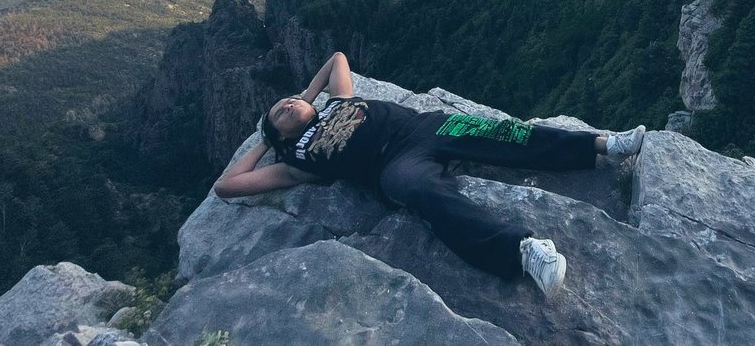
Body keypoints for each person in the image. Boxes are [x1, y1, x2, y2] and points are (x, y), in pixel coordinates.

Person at [213, 51, 645, 297]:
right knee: (424, 193)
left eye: (288, 101)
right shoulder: (296, 161)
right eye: (279, 112)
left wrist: (303, 97)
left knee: (501, 133)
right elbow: (226, 186)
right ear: (280, 135)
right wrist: (267, 138)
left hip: (423, 126)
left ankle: (602, 145)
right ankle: (524, 250)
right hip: (393, 166)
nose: (287, 105)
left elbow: (337, 60)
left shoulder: (337, 102)